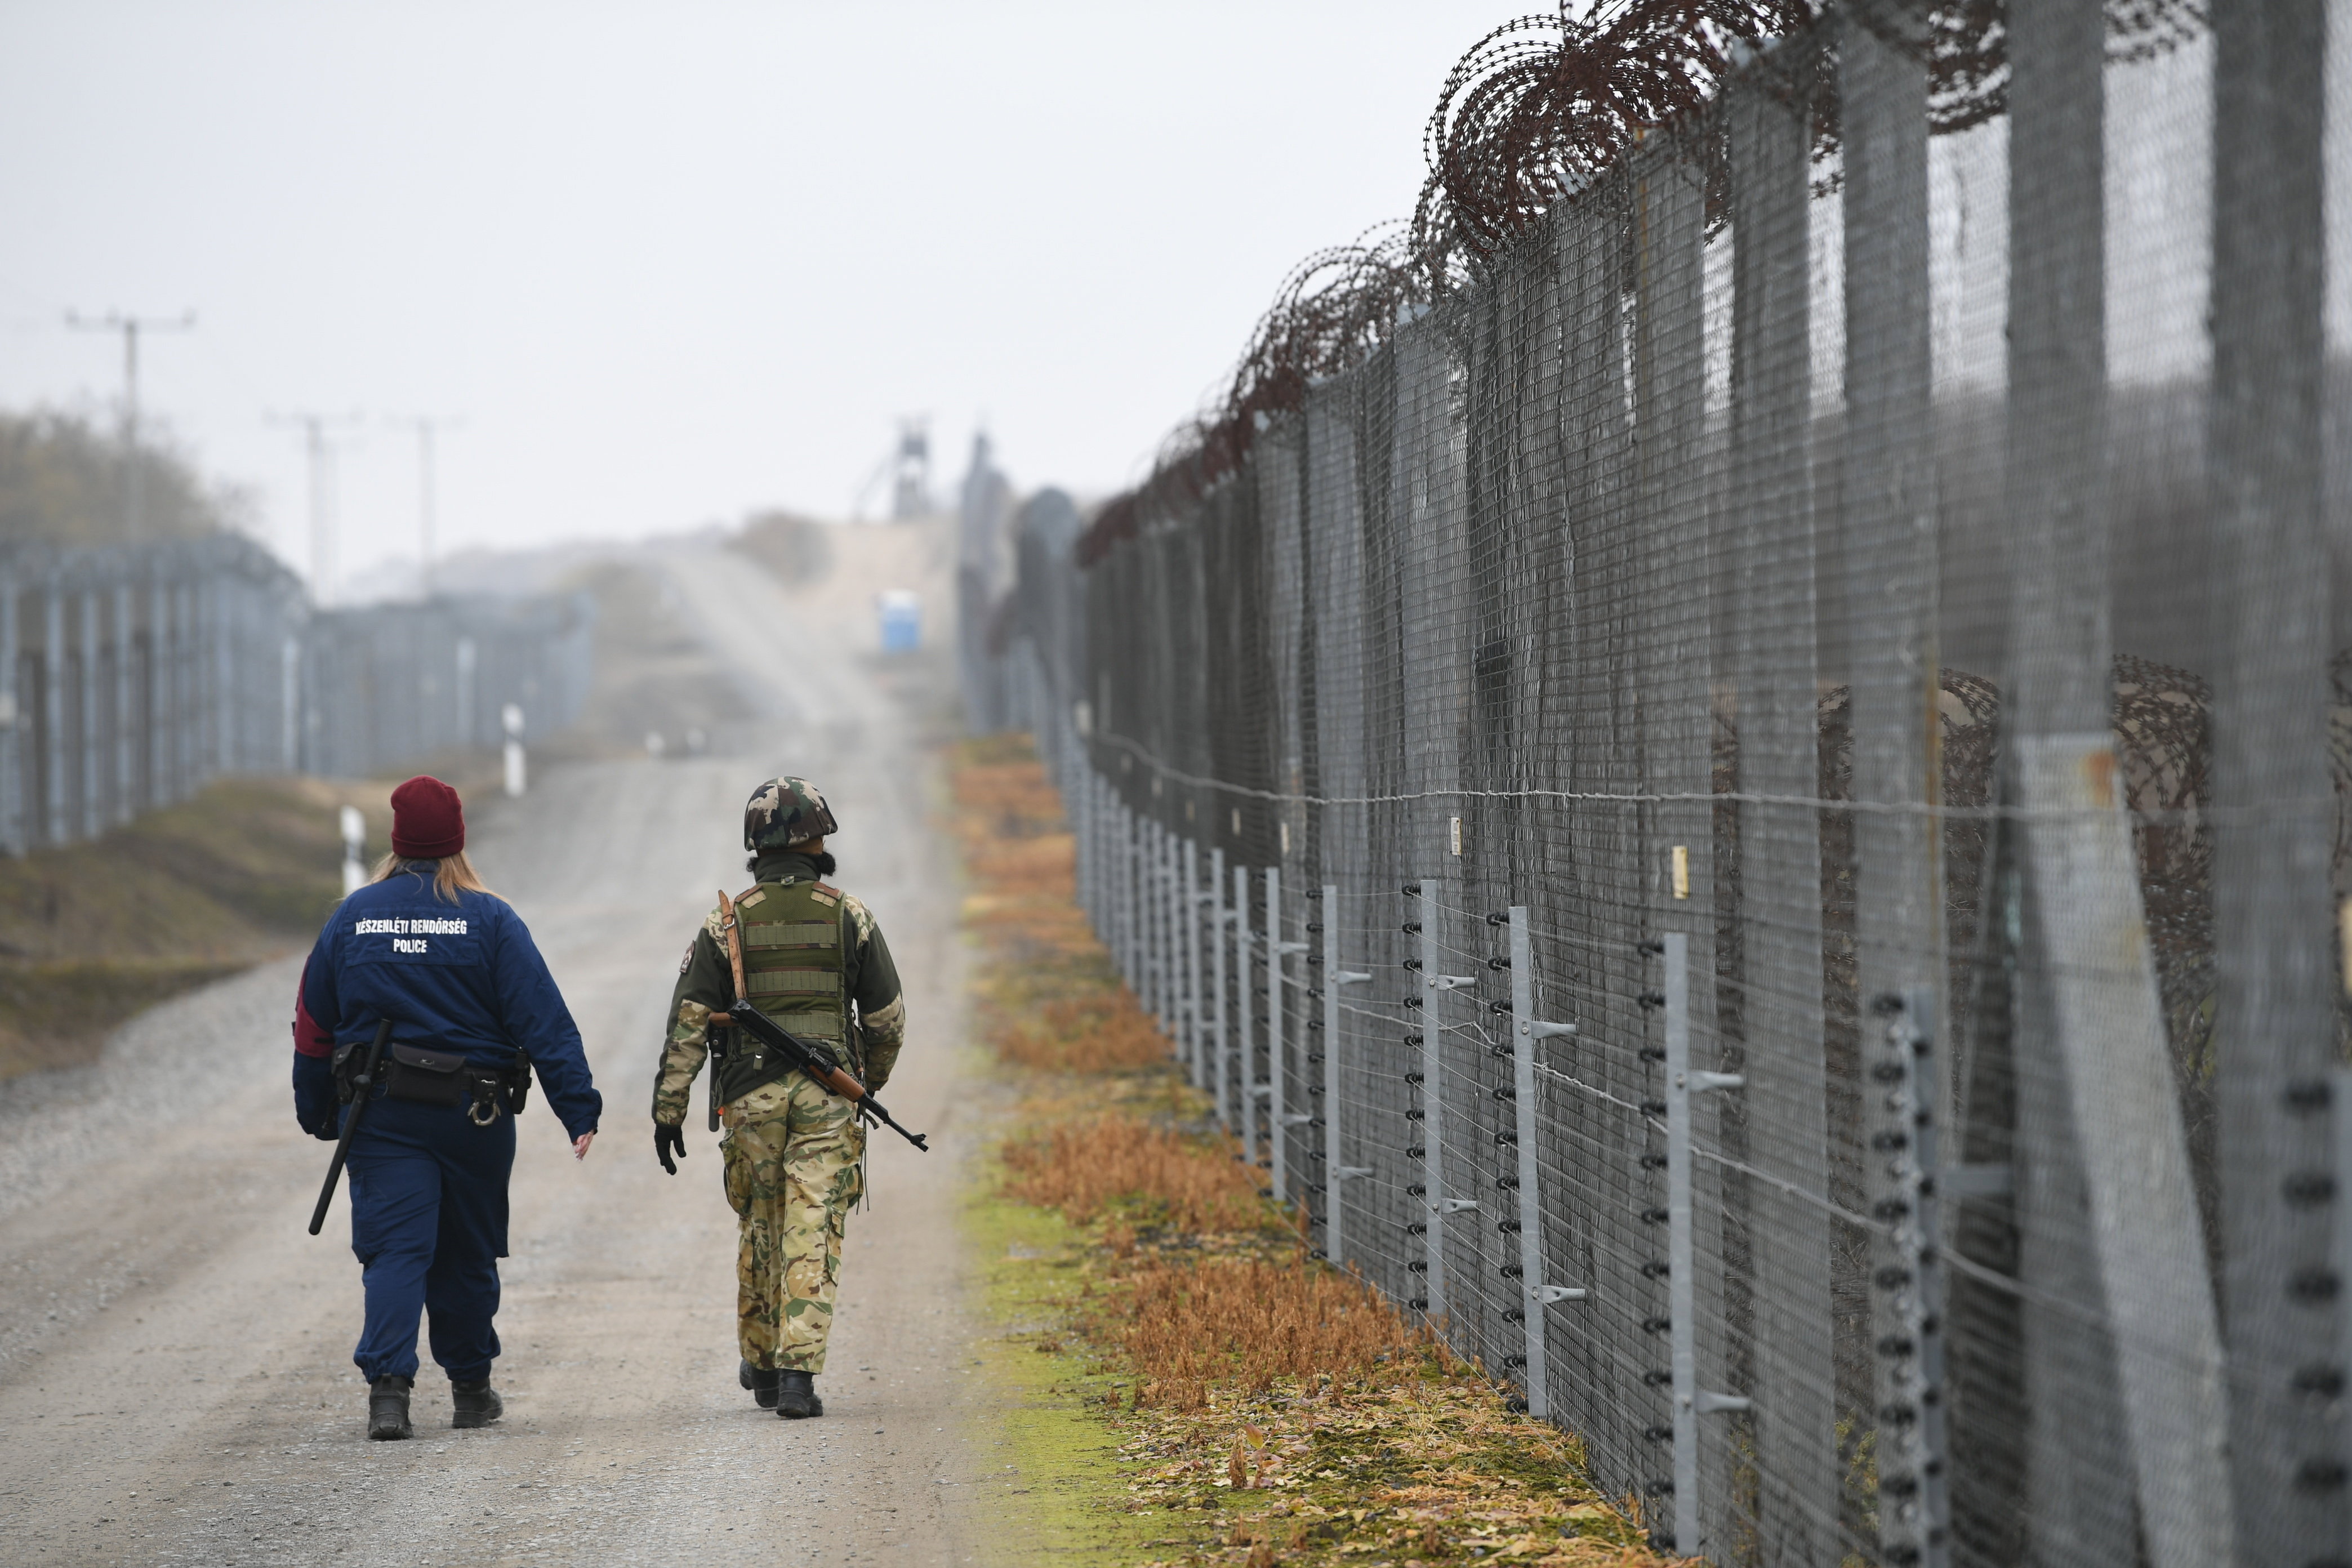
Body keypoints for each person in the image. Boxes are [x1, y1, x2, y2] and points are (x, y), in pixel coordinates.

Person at [290, 774, 602, 1441]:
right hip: (474, 1117)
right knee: (465, 1252)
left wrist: (316, 1108)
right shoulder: (491, 919)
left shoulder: (352, 918)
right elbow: (544, 1020)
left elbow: (313, 1024)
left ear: (398, 841)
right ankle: (470, 1389)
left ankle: (389, 1395)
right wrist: (578, 1107)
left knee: (396, 1250)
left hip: (378, 1115)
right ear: (458, 838)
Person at [651, 776, 907, 1419]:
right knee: (811, 1225)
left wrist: (668, 1111)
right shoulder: (851, 916)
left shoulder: (726, 922)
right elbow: (887, 1021)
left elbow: (687, 1021)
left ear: (756, 845)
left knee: (761, 1225)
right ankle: (797, 1377)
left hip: (749, 1098)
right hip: (828, 1097)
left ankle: (763, 1363)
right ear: (817, 839)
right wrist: (866, 1082)